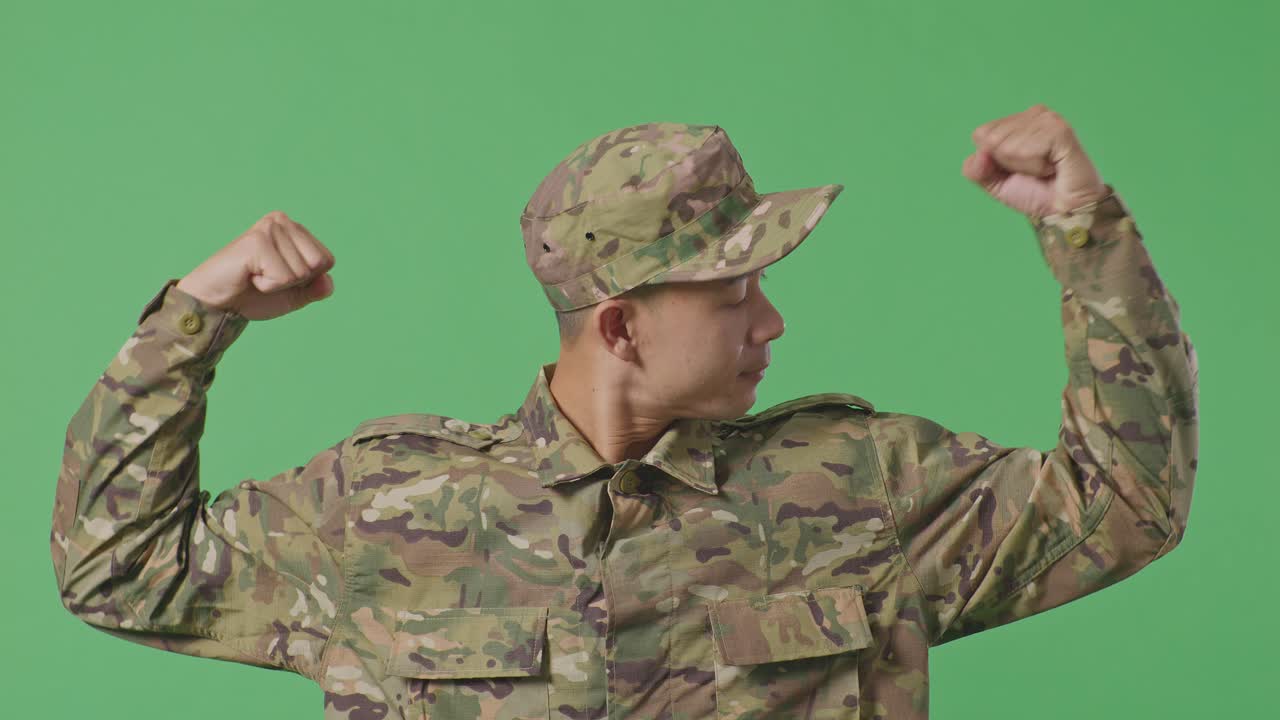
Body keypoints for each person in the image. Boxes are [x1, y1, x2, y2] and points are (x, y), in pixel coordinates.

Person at [51, 106, 1199, 720]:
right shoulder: (381, 512)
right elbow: (115, 570)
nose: (771, 324)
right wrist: (194, 319)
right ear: (618, 325)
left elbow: (1124, 501)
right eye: (734, 292)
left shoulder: (861, 483)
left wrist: (1085, 238)